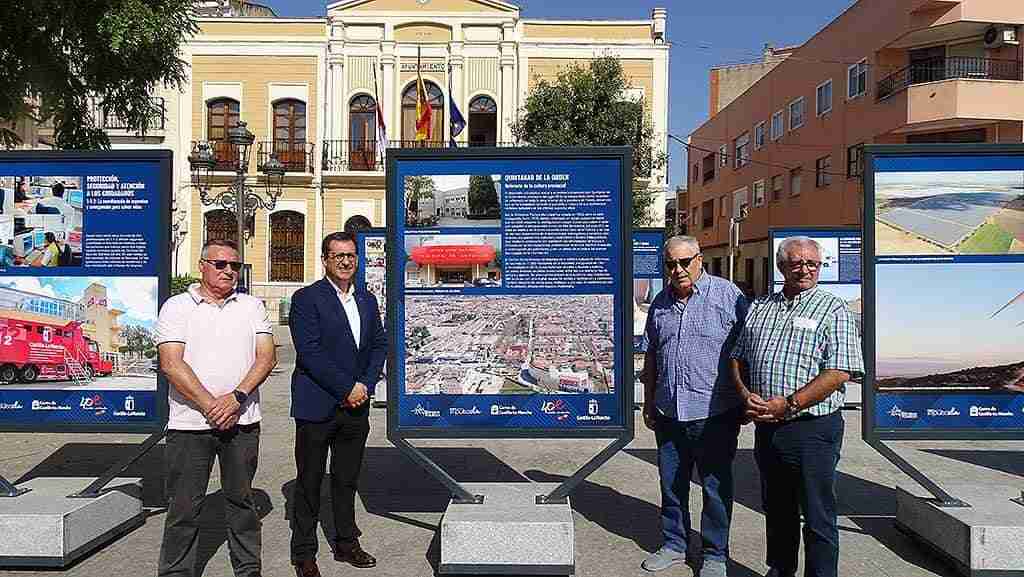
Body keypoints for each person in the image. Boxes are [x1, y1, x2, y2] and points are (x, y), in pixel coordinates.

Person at [730, 236, 863, 577]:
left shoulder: (834, 309)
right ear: (781, 266)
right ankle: (780, 568)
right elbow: (738, 357)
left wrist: (788, 404)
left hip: (812, 430)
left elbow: (840, 371)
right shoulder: (760, 307)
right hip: (768, 428)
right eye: (797, 263)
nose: (805, 270)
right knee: (777, 509)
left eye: (813, 264)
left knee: (817, 514)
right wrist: (745, 395)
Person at [155, 239, 277, 577]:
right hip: (189, 425)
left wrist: (236, 398)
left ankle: (248, 569)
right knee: (183, 508)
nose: (229, 271)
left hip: (242, 422)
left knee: (242, 504)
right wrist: (212, 405)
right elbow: (171, 363)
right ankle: (176, 573)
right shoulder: (177, 307)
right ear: (202, 266)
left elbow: (266, 357)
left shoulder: (251, 306)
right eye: (220, 264)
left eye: (235, 266)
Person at [640, 235, 748, 577]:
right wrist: (648, 402)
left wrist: (746, 398)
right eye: (671, 263)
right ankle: (674, 544)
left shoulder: (727, 296)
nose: (678, 269)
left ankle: (715, 554)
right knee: (672, 484)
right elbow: (652, 356)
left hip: (714, 411)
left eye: (685, 262)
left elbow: (747, 350)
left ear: (700, 259)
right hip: (669, 410)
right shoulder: (659, 303)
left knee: (716, 488)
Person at [288, 231, 387, 577]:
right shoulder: (306, 299)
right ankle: (303, 553)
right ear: (325, 260)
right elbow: (310, 353)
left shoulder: (367, 300)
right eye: (338, 255)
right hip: (318, 406)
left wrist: (366, 384)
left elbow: (379, 345)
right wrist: (348, 387)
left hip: (355, 408)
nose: (346, 261)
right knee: (310, 481)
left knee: (346, 480)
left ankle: (347, 543)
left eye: (351, 255)